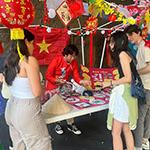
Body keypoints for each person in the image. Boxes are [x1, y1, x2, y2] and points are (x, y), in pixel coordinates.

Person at [2, 29, 52, 150]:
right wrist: (43, 85)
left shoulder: (9, 59)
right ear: (25, 42)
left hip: (11, 108)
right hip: (27, 110)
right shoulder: (28, 61)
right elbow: (36, 92)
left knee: (19, 145)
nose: (33, 47)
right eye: (32, 43)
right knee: (40, 145)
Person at [102, 31, 138, 150]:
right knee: (126, 130)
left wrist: (111, 82)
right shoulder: (127, 53)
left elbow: (128, 78)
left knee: (115, 132)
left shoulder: (122, 54)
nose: (110, 45)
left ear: (117, 42)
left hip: (124, 96)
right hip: (128, 94)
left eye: (112, 41)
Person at [45, 44, 91, 135]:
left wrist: (82, 82)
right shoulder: (56, 60)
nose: (73, 58)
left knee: (69, 102)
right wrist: (56, 80)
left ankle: (70, 123)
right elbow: (48, 75)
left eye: (74, 56)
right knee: (57, 105)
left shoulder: (73, 63)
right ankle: (57, 123)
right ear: (65, 55)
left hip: (63, 85)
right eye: (72, 56)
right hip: (52, 86)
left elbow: (76, 76)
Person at [125, 24, 150, 150]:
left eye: (130, 35)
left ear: (138, 33)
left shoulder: (145, 47)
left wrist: (135, 73)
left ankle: (138, 145)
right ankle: (145, 140)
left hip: (146, 86)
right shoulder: (141, 46)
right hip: (147, 85)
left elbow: (149, 67)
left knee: (140, 117)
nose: (129, 38)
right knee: (147, 114)